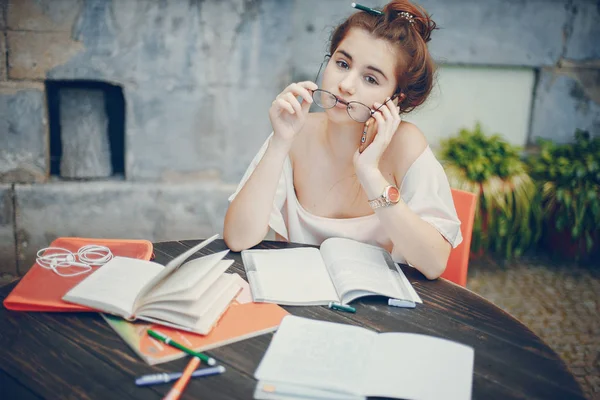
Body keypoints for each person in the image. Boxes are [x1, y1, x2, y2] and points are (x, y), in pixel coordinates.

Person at [224, 0, 462, 280]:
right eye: (342, 63)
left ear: (395, 98)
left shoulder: (406, 145)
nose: (346, 85)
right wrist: (280, 142)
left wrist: (371, 175)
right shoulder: (295, 132)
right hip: (298, 299)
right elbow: (238, 239)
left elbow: (434, 263)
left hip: (380, 311)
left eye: (371, 79)